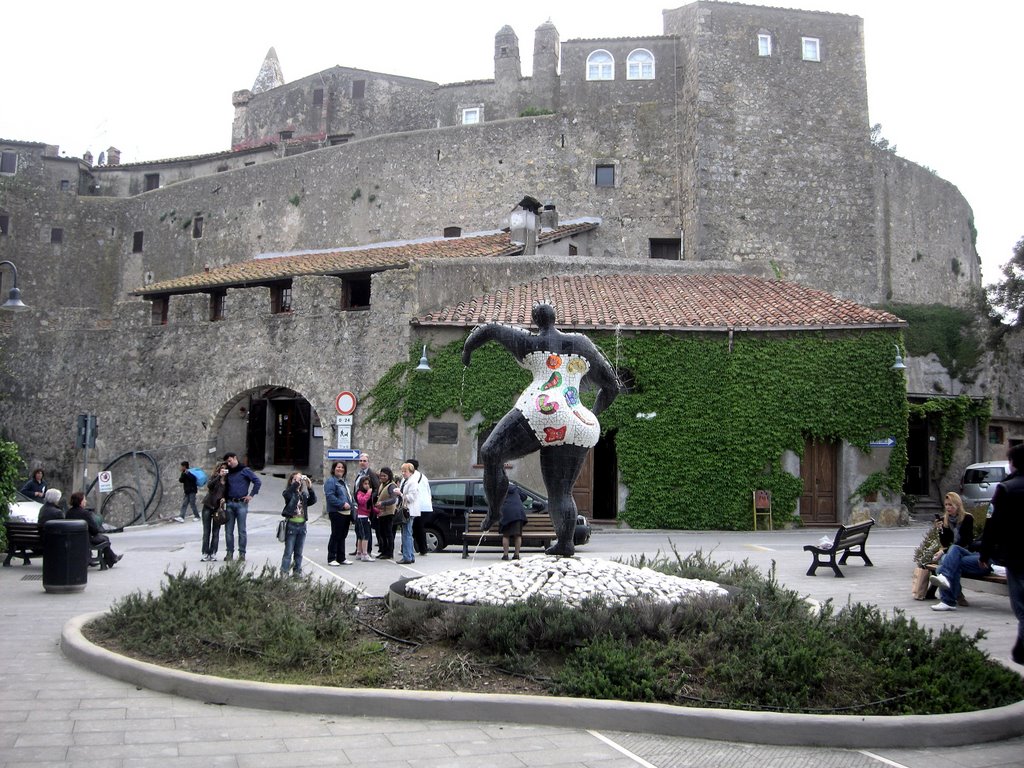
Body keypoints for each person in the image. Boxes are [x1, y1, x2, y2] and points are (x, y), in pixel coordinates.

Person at [461, 302, 619, 556]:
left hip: (540, 410)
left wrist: (467, 350)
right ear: (556, 318)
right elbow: (612, 386)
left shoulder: (530, 341)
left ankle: (494, 511)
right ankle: (565, 544)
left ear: (536, 320)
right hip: (576, 420)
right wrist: (591, 413)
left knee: (491, 452)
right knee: (560, 492)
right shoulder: (582, 343)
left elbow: (489, 330)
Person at [980, 443, 1024, 664]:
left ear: (1013, 464)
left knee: (1021, 607)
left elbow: (992, 524)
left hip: (1017, 556)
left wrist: (984, 553)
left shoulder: (1006, 489)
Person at [929, 492, 989, 611]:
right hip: (950, 554)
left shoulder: (967, 518)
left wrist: (944, 551)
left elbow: (966, 541)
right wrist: (941, 530)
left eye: (951, 505)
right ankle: (951, 600)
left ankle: (951, 597)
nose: (948, 508)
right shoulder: (944, 520)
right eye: (946, 505)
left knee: (947, 559)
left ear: (958, 505)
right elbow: (945, 543)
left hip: (965, 551)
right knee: (945, 564)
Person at [66, 490, 121, 569]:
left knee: (104, 538)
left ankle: (112, 558)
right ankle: (110, 560)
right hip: (85, 539)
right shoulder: (85, 513)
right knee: (105, 539)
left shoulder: (69, 513)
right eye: (84, 499)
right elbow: (94, 530)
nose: (85, 501)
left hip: (73, 539)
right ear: (80, 501)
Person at [222, 452, 261, 562]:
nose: (229, 463)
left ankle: (242, 554)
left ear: (235, 458)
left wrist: (251, 495)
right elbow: (222, 486)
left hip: (241, 503)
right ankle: (229, 552)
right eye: (227, 462)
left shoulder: (245, 470)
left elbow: (257, 481)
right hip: (229, 503)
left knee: (241, 530)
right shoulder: (227, 472)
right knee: (228, 530)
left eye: (230, 461)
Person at [280, 472, 315, 577]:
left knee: (299, 553)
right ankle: (284, 572)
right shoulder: (289, 493)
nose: (298, 482)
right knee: (288, 552)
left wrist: (309, 487)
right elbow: (287, 494)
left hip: (302, 526)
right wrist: (296, 483)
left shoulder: (303, 495)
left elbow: (313, 500)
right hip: (291, 525)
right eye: (294, 479)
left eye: (299, 480)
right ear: (291, 481)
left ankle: (297, 573)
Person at [324, 461, 353, 566]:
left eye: (342, 468)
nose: (340, 469)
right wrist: (342, 504)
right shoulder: (331, 481)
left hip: (346, 513)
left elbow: (349, 496)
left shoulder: (343, 482)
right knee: (336, 535)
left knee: (342, 535)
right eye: (338, 467)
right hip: (337, 512)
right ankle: (331, 558)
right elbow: (330, 496)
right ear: (333, 469)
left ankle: (341, 557)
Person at [200, 462, 228, 561]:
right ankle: (205, 552)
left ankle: (213, 552)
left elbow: (228, 493)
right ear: (218, 469)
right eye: (222, 468)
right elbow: (209, 486)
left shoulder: (228, 481)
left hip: (218, 508)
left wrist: (225, 499)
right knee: (206, 531)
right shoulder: (214, 478)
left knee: (216, 532)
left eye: (225, 469)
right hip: (208, 505)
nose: (223, 470)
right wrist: (219, 477)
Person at [354, 453, 380, 555]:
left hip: (366, 506)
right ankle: (358, 550)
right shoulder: (359, 474)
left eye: (364, 461)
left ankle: (367, 551)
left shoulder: (371, 474)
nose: (362, 463)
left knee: (366, 531)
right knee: (359, 529)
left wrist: (369, 498)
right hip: (358, 505)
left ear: (368, 462)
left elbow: (376, 488)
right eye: (360, 461)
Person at [405, 458, 433, 556]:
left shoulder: (412, 477)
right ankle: (421, 548)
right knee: (418, 527)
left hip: (418, 505)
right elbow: (429, 491)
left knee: (413, 528)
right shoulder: (423, 476)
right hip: (426, 506)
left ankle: (420, 548)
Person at [374, 467, 400, 560]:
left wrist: (383, 503)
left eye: (384, 476)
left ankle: (389, 552)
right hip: (381, 513)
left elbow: (393, 499)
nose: (382, 477)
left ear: (389, 476)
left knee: (388, 533)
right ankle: (384, 551)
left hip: (389, 513)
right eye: (381, 475)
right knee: (382, 533)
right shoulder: (382, 484)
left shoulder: (391, 486)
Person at [397, 463, 420, 564]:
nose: (403, 473)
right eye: (402, 471)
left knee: (406, 534)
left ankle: (407, 556)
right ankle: (410, 555)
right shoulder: (407, 481)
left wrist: (400, 494)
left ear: (410, 472)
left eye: (405, 471)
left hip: (409, 510)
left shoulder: (412, 482)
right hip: (407, 510)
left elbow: (411, 497)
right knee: (407, 533)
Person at [499, 483, 528, 561]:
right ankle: (516, 555)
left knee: (506, 535)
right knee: (517, 535)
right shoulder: (516, 489)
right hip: (518, 512)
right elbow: (524, 496)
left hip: (506, 512)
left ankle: (505, 555)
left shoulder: (501, 489)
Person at [354, 475, 375, 561]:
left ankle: (359, 552)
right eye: (365, 484)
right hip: (362, 517)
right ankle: (364, 554)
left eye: (368, 484)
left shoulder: (366, 494)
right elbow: (362, 501)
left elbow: (370, 506)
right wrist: (368, 493)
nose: (367, 485)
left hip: (366, 516)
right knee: (365, 536)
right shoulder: (360, 493)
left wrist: (377, 511)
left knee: (361, 536)